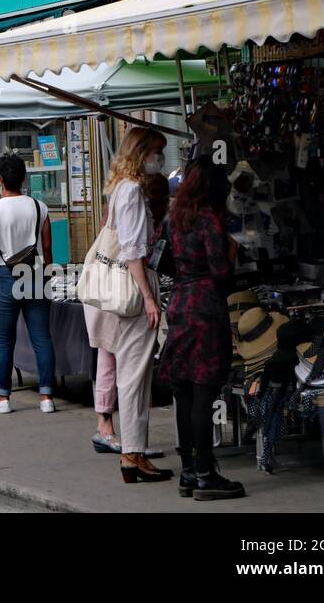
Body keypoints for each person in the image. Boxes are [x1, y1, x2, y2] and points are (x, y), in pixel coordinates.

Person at [85, 127, 173, 484]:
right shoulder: (134, 191)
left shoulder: (119, 187)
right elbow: (135, 250)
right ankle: (133, 454)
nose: (160, 160)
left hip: (117, 290)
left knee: (129, 374)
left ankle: (133, 453)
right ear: (143, 153)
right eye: (156, 152)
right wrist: (150, 298)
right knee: (135, 376)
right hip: (133, 291)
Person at [159, 158, 242, 500]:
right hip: (205, 307)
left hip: (179, 304)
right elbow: (221, 271)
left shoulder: (174, 217)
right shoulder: (208, 218)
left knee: (184, 392)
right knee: (204, 393)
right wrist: (232, 253)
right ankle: (207, 472)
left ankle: (189, 472)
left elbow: (162, 259)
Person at [0, 153, 55, 413]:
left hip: (6, 276)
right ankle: (46, 397)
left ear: (0, 179)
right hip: (35, 273)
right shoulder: (39, 207)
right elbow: (47, 248)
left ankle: (3, 398)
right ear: (23, 178)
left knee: (3, 340)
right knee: (42, 337)